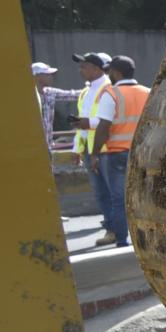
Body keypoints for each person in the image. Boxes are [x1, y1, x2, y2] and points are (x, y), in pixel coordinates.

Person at [91, 56, 149, 247]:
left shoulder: (111, 93)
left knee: (119, 200)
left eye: (110, 72)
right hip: (143, 154)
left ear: (116, 73)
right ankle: (145, 240)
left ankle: (123, 240)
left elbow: (103, 126)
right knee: (143, 198)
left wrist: (95, 153)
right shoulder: (148, 92)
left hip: (117, 155)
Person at [71, 52, 116, 242]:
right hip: (92, 150)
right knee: (101, 194)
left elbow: (110, 120)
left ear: (97, 69)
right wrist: (77, 148)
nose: (80, 70)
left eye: (84, 66)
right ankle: (112, 229)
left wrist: (87, 124)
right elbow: (81, 122)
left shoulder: (109, 89)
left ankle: (117, 229)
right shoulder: (85, 92)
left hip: (108, 149)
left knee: (113, 193)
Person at [31, 61, 80, 152]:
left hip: (47, 145)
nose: (51, 77)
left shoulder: (50, 92)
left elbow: (72, 95)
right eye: (47, 74)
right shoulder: (27, 96)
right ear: (36, 76)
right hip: (32, 144)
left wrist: (92, 90)